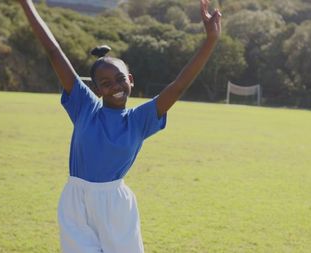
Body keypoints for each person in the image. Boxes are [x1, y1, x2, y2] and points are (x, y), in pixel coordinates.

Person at [18, 0, 221, 252]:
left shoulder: (139, 120)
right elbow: (53, 51)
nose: (114, 86)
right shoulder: (84, 106)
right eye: (105, 83)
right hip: (75, 201)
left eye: (119, 79)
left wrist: (210, 40)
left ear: (131, 80)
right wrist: (26, 4)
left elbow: (178, 85)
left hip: (114, 206)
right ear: (96, 89)